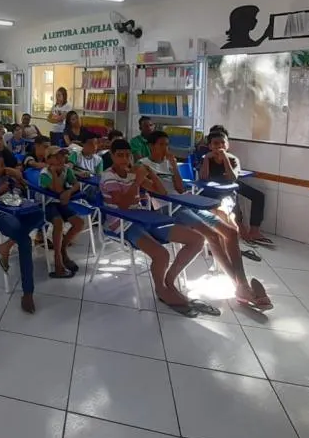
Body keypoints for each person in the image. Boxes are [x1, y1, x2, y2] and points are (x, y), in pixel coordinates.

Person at [139, 131, 271, 310]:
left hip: (185, 203)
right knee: (212, 236)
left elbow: (178, 187)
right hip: (169, 208)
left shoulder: (168, 163)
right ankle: (239, 286)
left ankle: (242, 283)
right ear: (152, 146)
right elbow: (162, 193)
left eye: (167, 145)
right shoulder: (143, 165)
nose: (165, 149)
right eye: (161, 145)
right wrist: (157, 174)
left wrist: (173, 166)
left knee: (230, 232)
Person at [101, 139, 205, 316]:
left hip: (144, 218)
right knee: (162, 254)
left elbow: (162, 192)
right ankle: (161, 290)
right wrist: (137, 182)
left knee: (197, 239)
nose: (124, 159)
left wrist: (149, 172)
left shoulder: (133, 173)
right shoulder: (108, 176)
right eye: (119, 155)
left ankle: (169, 280)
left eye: (127, 155)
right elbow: (124, 205)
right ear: (112, 156)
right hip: (121, 222)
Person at [0, 154, 40, 314]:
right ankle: (28, 292)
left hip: (17, 211)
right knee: (25, 241)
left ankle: (6, 245)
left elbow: (21, 190)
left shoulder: (7, 177)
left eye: (2, 165)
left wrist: (18, 182)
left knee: (41, 215)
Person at [199, 130, 269, 244]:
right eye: (216, 143)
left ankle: (254, 231)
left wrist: (225, 158)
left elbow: (232, 178)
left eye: (223, 143)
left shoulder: (233, 159)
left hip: (230, 186)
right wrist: (206, 159)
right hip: (212, 190)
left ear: (227, 144)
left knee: (257, 196)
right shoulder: (206, 158)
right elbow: (203, 178)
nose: (220, 146)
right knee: (227, 201)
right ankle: (238, 228)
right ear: (210, 146)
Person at [39, 146, 86, 278]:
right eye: (56, 156)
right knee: (58, 223)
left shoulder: (66, 169)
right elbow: (58, 190)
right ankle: (58, 259)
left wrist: (69, 192)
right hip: (46, 205)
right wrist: (54, 173)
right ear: (48, 160)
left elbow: (77, 184)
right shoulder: (44, 174)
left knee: (79, 223)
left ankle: (62, 249)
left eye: (63, 156)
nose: (61, 159)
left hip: (60, 203)